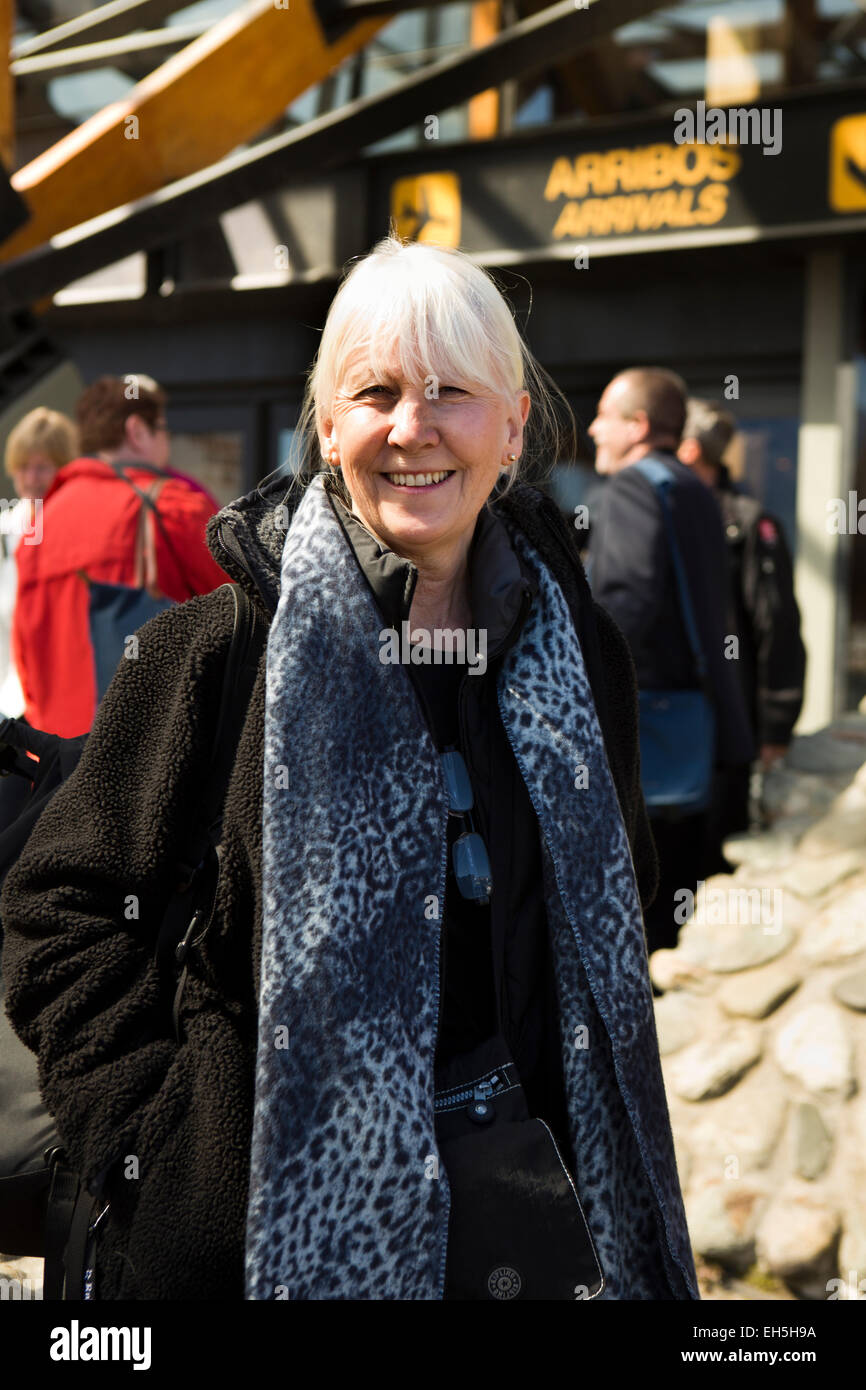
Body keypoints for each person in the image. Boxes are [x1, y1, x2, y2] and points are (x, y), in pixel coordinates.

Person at [1, 239, 698, 1302]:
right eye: (373, 392)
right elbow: (62, 905)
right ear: (329, 426)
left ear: (511, 427)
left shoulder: (579, 647)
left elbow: (621, 888)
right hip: (256, 1250)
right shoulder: (223, 647)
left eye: (449, 393)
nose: (411, 428)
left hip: (532, 1219)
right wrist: (160, 1135)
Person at [587, 368, 754, 954]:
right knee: (676, 911)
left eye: (605, 415)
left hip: (647, 729)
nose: (593, 428)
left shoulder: (634, 486)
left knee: (636, 914)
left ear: (637, 426)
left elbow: (625, 602)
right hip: (699, 729)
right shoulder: (692, 488)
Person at [11, 375, 229, 737]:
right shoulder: (172, 506)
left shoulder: (39, 527)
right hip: (151, 753)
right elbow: (240, 613)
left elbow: (26, 658)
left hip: (60, 758)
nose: (166, 441)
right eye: (162, 429)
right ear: (137, 431)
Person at [678, 398, 806, 850]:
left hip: (728, 730)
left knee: (717, 851)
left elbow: (778, 625)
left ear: (690, 450)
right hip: (667, 726)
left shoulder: (748, 524)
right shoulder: (655, 519)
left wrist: (775, 726)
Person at [0, 408, 78, 720]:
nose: (31, 479)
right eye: (23, 468)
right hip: (11, 704)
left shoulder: (81, 531)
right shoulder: (6, 528)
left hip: (62, 706)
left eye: (43, 468)